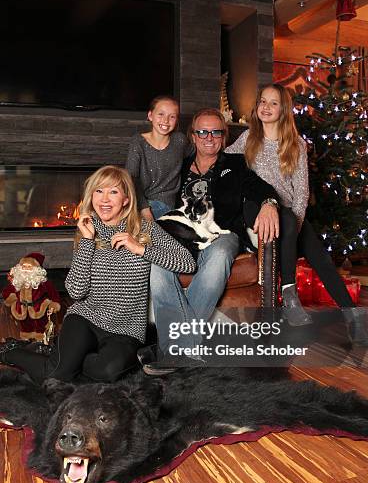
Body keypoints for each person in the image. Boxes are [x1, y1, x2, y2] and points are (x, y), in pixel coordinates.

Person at [0, 166, 196, 384]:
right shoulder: (88, 232)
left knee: (107, 373)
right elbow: (75, 291)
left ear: (126, 199)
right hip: (86, 317)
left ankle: (55, 356)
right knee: (58, 375)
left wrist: (140, 248)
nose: (104, 199)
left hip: (127, 328)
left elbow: (187, 263)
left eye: (113, 192)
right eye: (98, 191)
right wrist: (86, 241)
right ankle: (9, 351)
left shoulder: (145, 230)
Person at [225, 83, 368, 344]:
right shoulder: (248, 139)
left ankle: (354, 319)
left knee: (321, 259)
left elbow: (301, 194)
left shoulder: (296, 145)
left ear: (284, 110)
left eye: (273, 103)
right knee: (286, 218)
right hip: (256, 208)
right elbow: (223, 162)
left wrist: (294, 232)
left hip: (290, 215)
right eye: (263, 101)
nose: (266, 107)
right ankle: (289, 294)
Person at [146, 107, 281, 374]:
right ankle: (184, 350)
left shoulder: (235, 164)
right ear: (193, 136)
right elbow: (149, 189)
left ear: (224, 136)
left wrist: (269, 203)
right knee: (158, 264)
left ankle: (172, 348)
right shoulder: (179, 167)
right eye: (202, 132)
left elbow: (263, 188)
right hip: (181, 237)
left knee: (219, 257)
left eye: (216, 132)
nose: (209, 137)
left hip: (222, 235)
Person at [126, 95, 192, 220]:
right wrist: (144, 208)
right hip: (138, 201)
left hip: (164, 203)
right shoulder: (138, 142)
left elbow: (196, 154)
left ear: (176, 120)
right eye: (161, 114)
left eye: (172, 116)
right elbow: (131, 178)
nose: (166, 120)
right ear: (150, 115)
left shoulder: (180, 141)